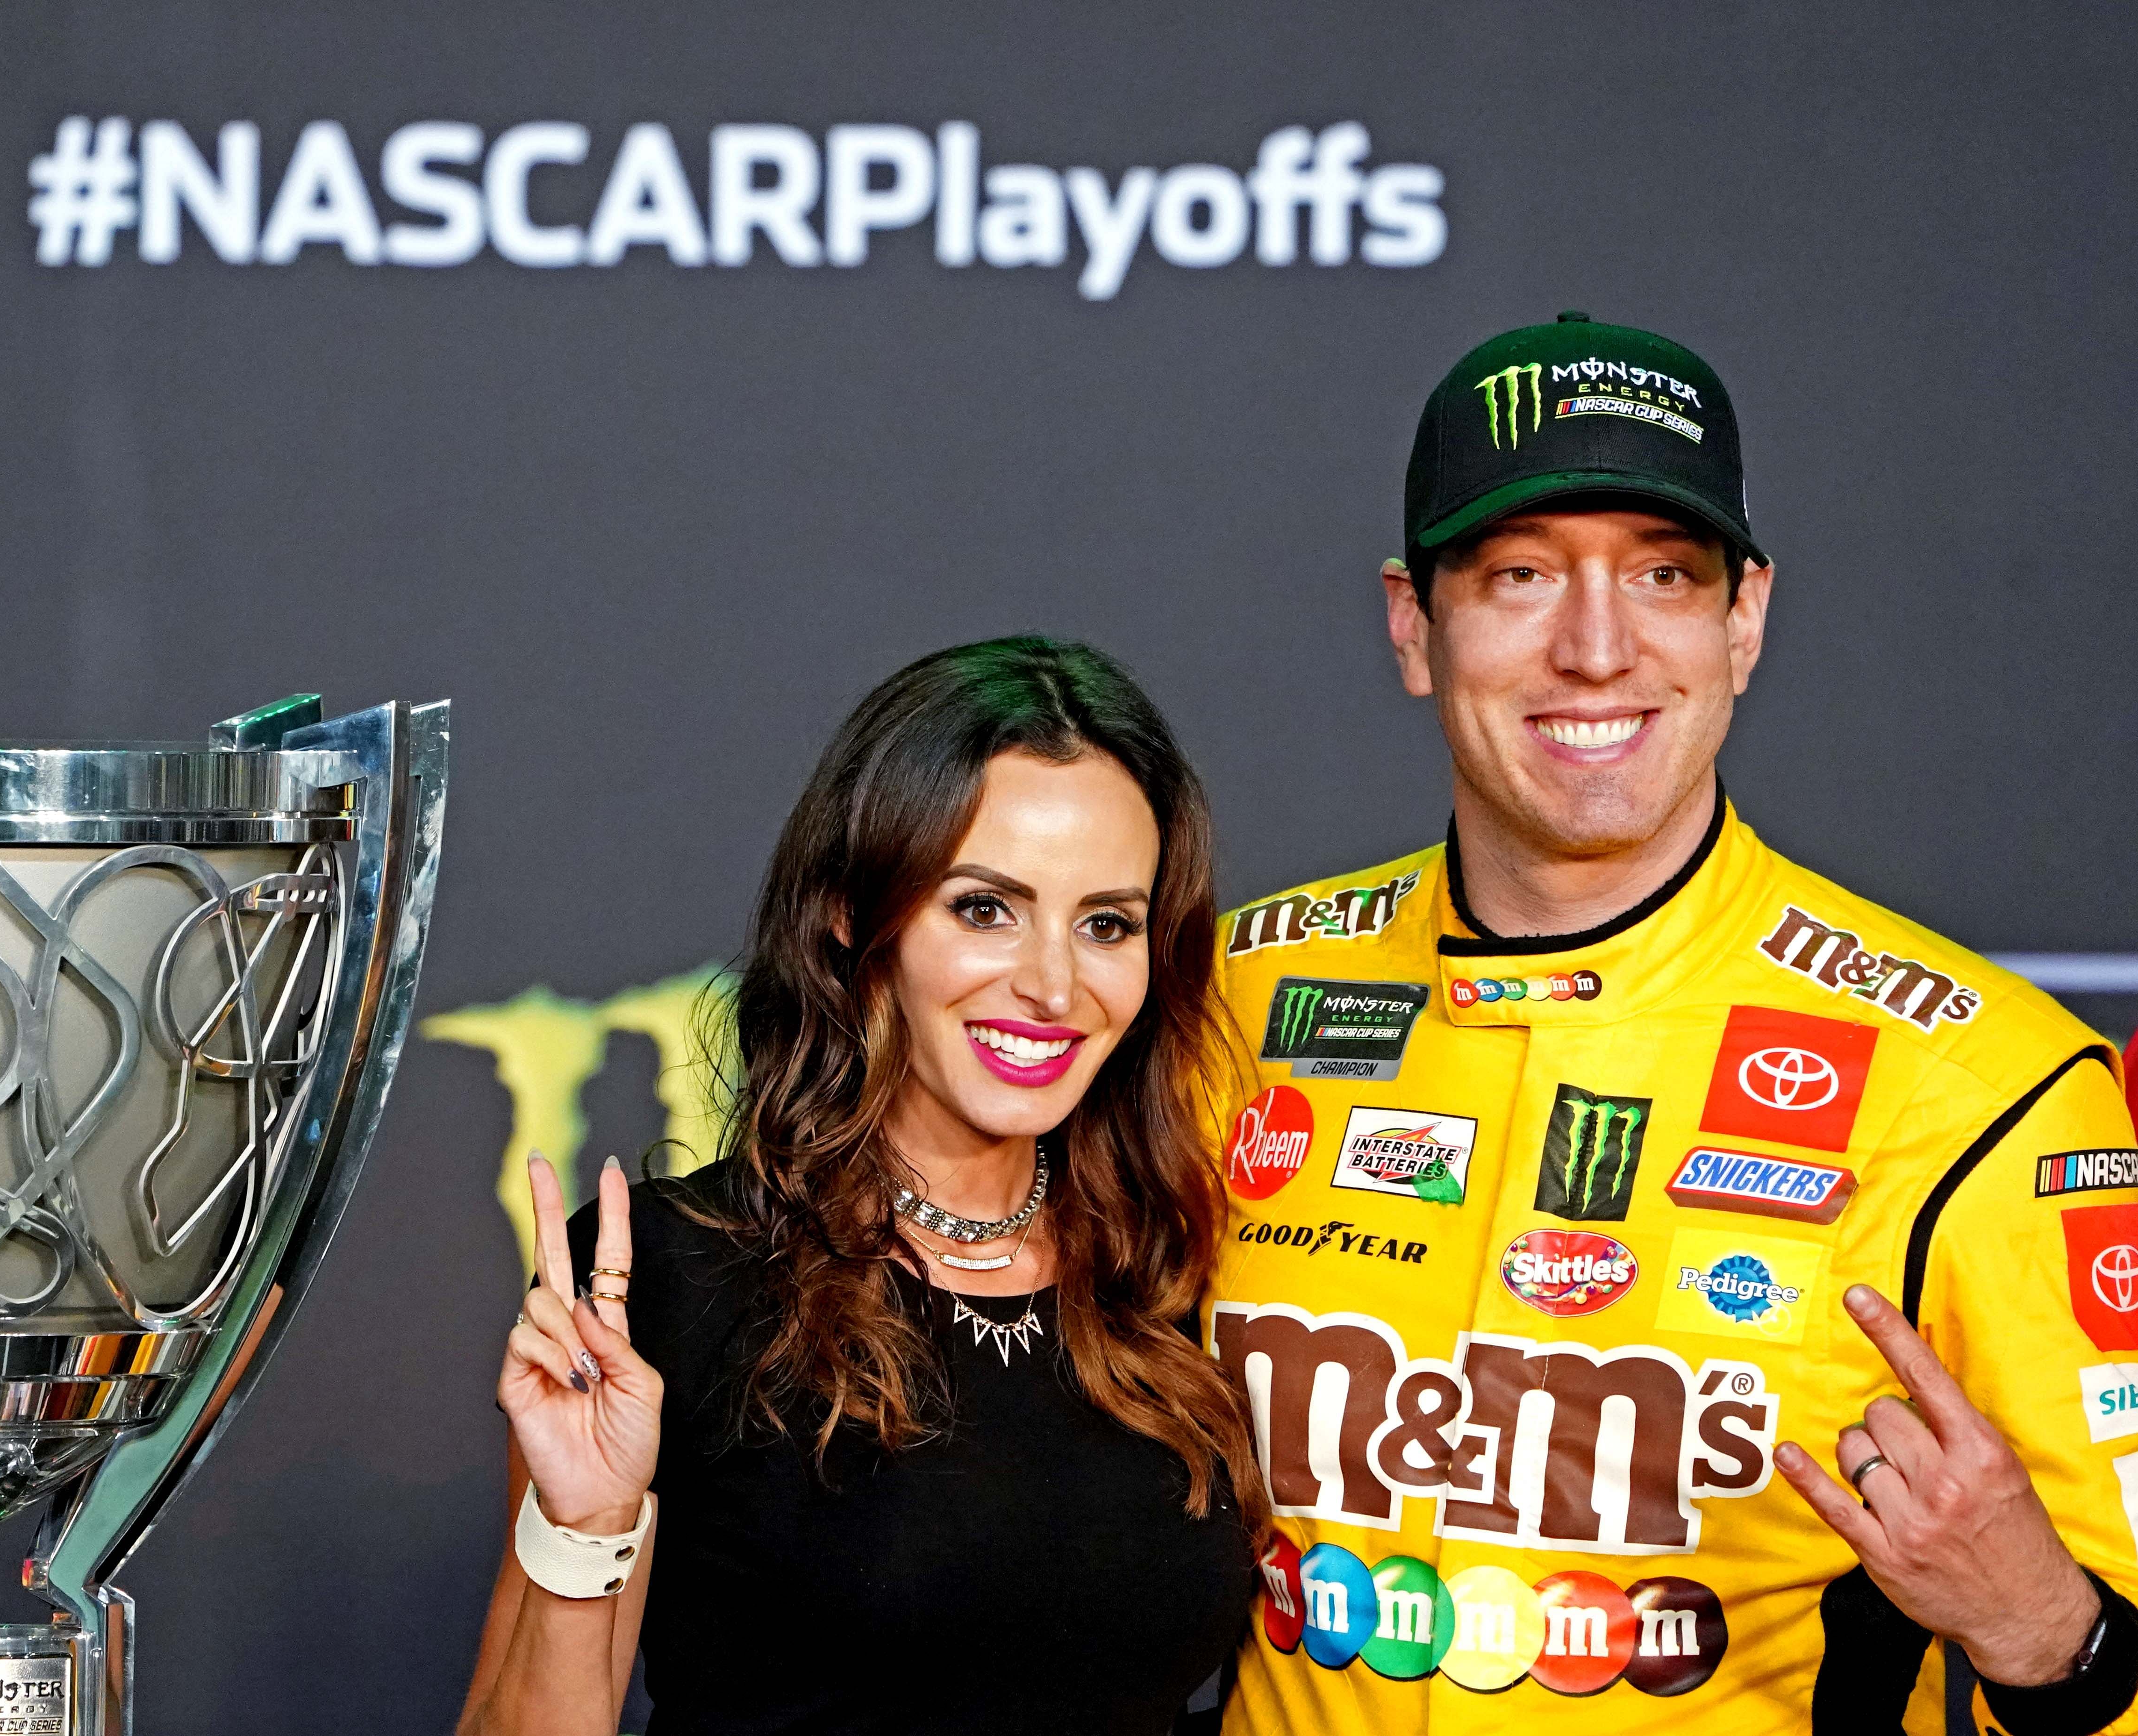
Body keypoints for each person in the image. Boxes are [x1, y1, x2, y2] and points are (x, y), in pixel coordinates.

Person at [1204, 312, 2138, 1734]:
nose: (1594, 647)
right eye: (1519, 575)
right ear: (1413, 625)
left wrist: (2042, 1631)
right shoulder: (1233, 998)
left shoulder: (1985, 1080)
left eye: (1660, 574)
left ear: (1742, 619)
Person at [458, 636, 1267, 1736]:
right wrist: (583, 1527)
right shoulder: (668, 1277)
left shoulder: (1166, 1271)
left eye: (1106, 923)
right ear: (851, 912)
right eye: (984, 908)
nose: (1051, 984)